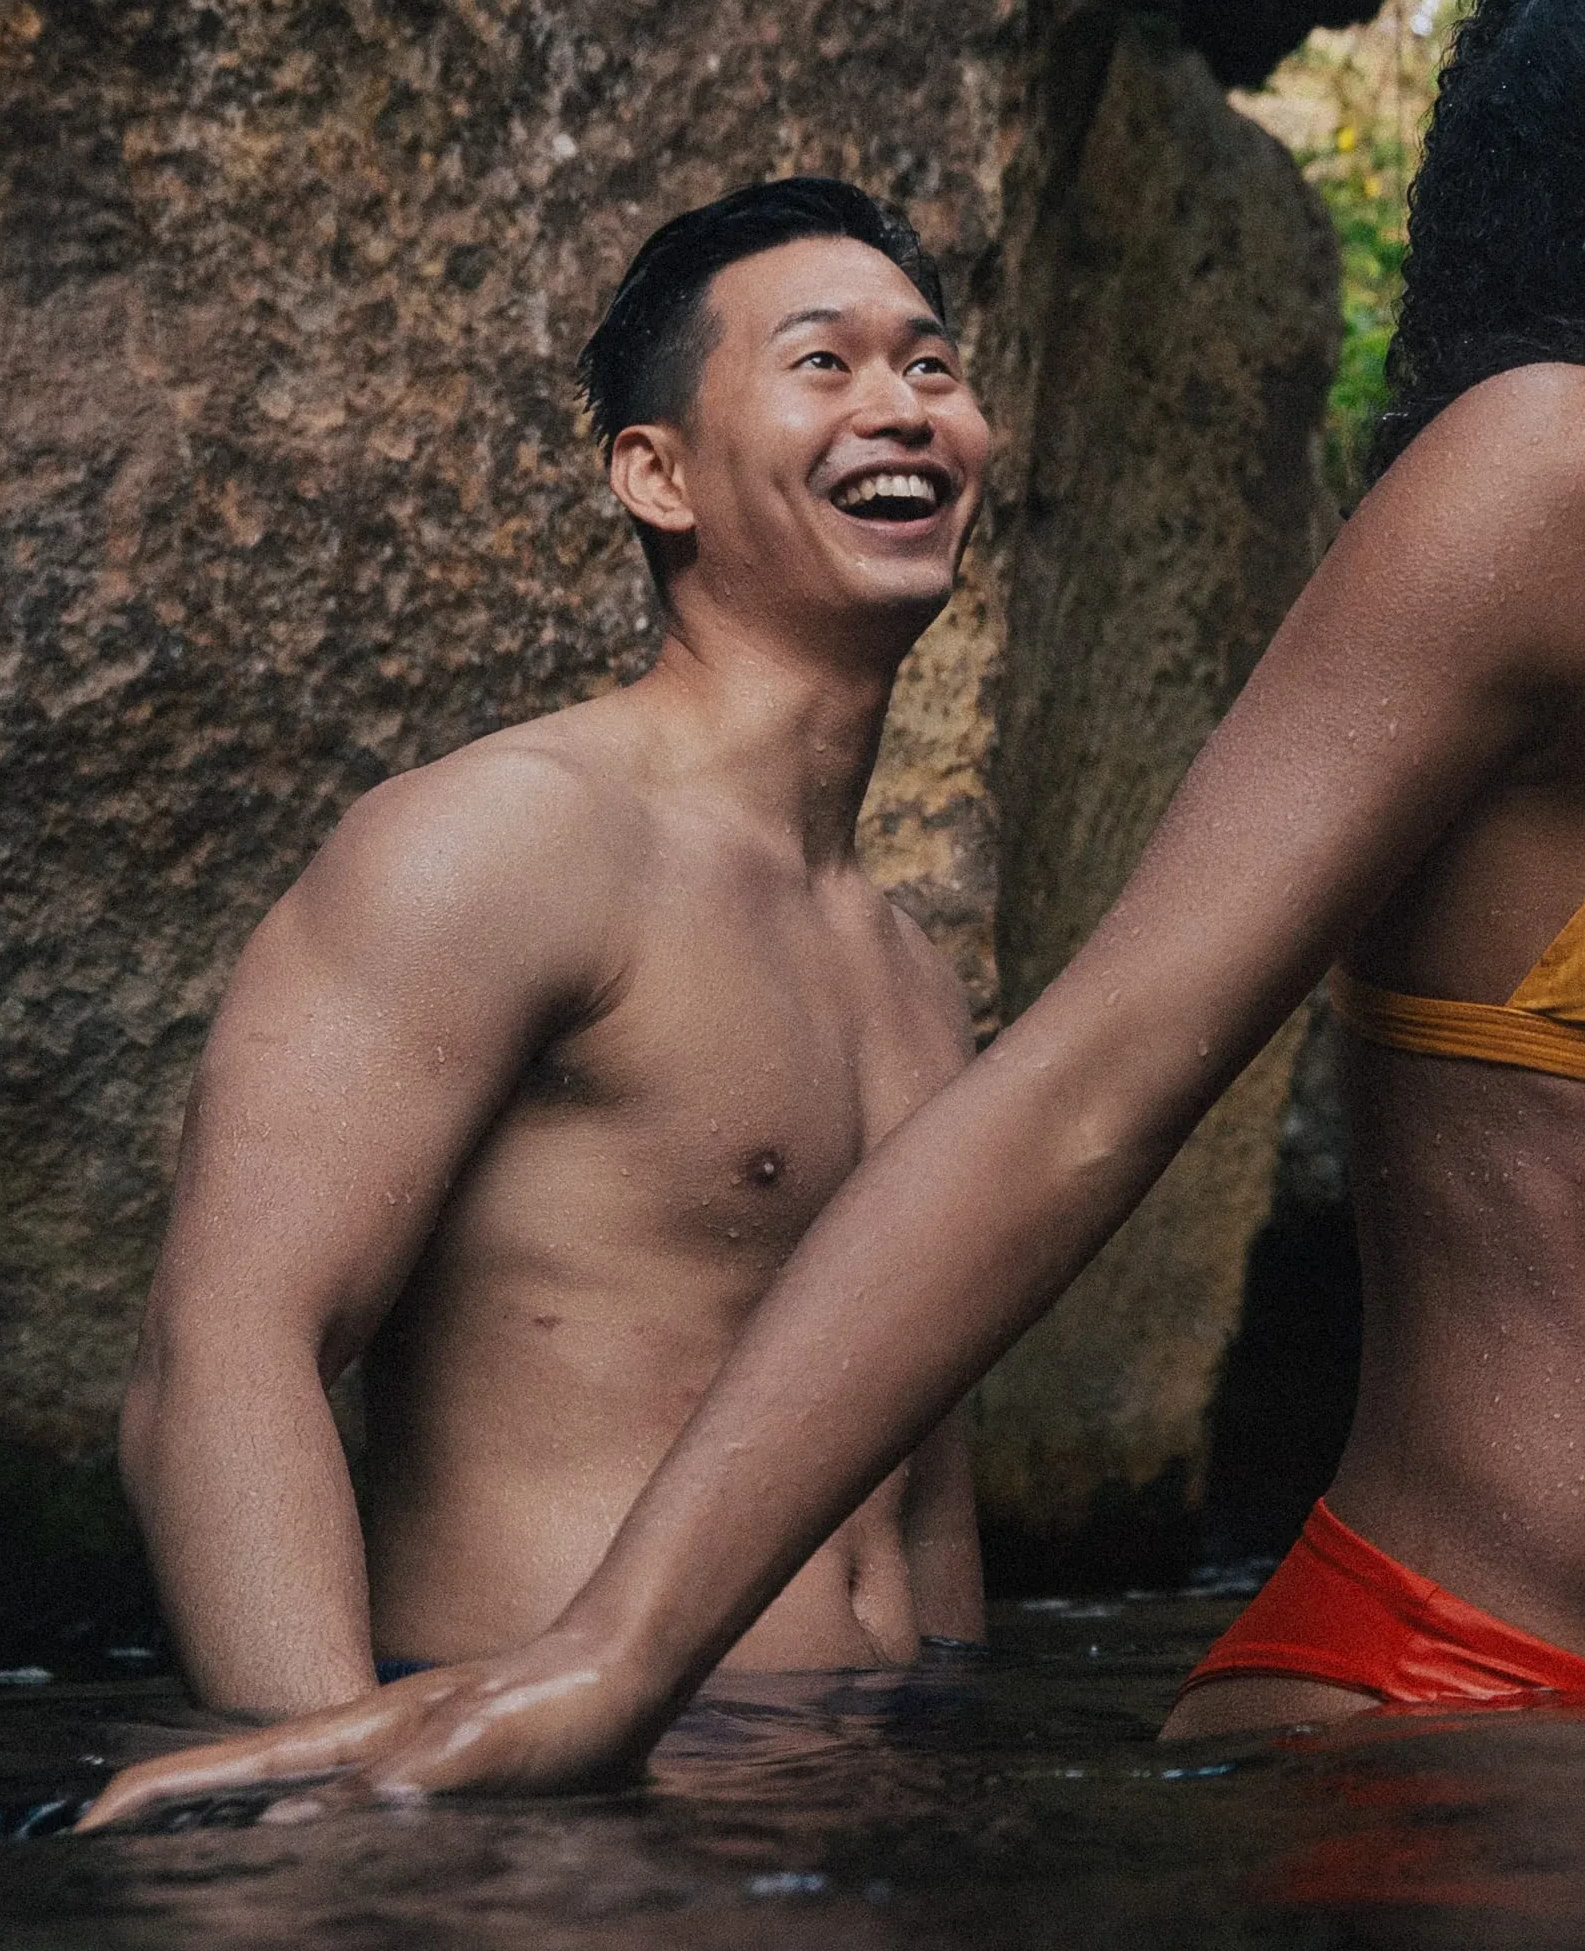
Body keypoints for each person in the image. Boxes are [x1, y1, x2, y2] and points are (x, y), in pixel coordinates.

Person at [84, 0, 1585, 1821]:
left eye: (931, 356)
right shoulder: (1551, 478)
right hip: (1462, 1704)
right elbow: (1090, 1091)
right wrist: (583, 1676)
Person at [111, 176, 993, 1718]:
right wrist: (342, 1813)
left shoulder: (912, 972)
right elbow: (225, 1354)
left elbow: (923, 1490)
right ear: (658, 476)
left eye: (931, 367)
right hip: (542, 1818)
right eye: (825, 364)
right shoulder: (503, 844)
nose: (905, 407)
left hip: (864, 1798)